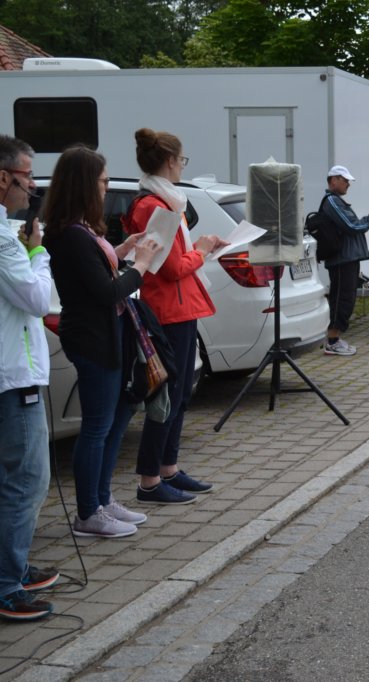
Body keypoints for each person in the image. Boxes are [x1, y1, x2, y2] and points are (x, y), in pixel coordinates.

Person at [43, 146, 162, 538]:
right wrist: (141, 265)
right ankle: (87, 512)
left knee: (115, 418)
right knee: (96, 426)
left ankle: (101, 498)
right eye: (103, 181)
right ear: (83, 183)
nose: (107, 187)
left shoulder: (81, 230)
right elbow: (106, 292)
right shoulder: (70, 235)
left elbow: (100, 275)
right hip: (93, 339)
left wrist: (124, 251)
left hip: (108, 336)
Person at [123, 128, 228, 505]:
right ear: (170, 161)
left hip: (179, 307)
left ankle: (167, 468)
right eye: (182, 160)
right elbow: (169, 270)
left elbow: (174, 260)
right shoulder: (155, 206)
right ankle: (150, 480)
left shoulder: (166, 201)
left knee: (180, 393)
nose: (183, 166)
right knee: (166, 395)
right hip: (167, 310)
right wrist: (202, 251)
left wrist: (200, 248)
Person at [0, 135, 60, 621]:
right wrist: (38, 252)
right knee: (27, 482)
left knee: (16, 480)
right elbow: (40, 301)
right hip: (12, 378)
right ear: (3, 178)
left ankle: (13, 566)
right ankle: (7, 584)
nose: (33, 186)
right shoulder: (4, 240)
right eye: (27, 176)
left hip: (14, 372)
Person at [319, 165, 369, 356]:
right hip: (342, 259)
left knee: (345, 299)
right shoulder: (332, 201)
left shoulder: (336, 201)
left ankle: (335, 338)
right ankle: (332, 341)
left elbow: (352, 225)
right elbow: (351, 226)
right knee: (341, 299)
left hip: (346, 258)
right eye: (345, 180)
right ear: (333, 180)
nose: (348, 184)